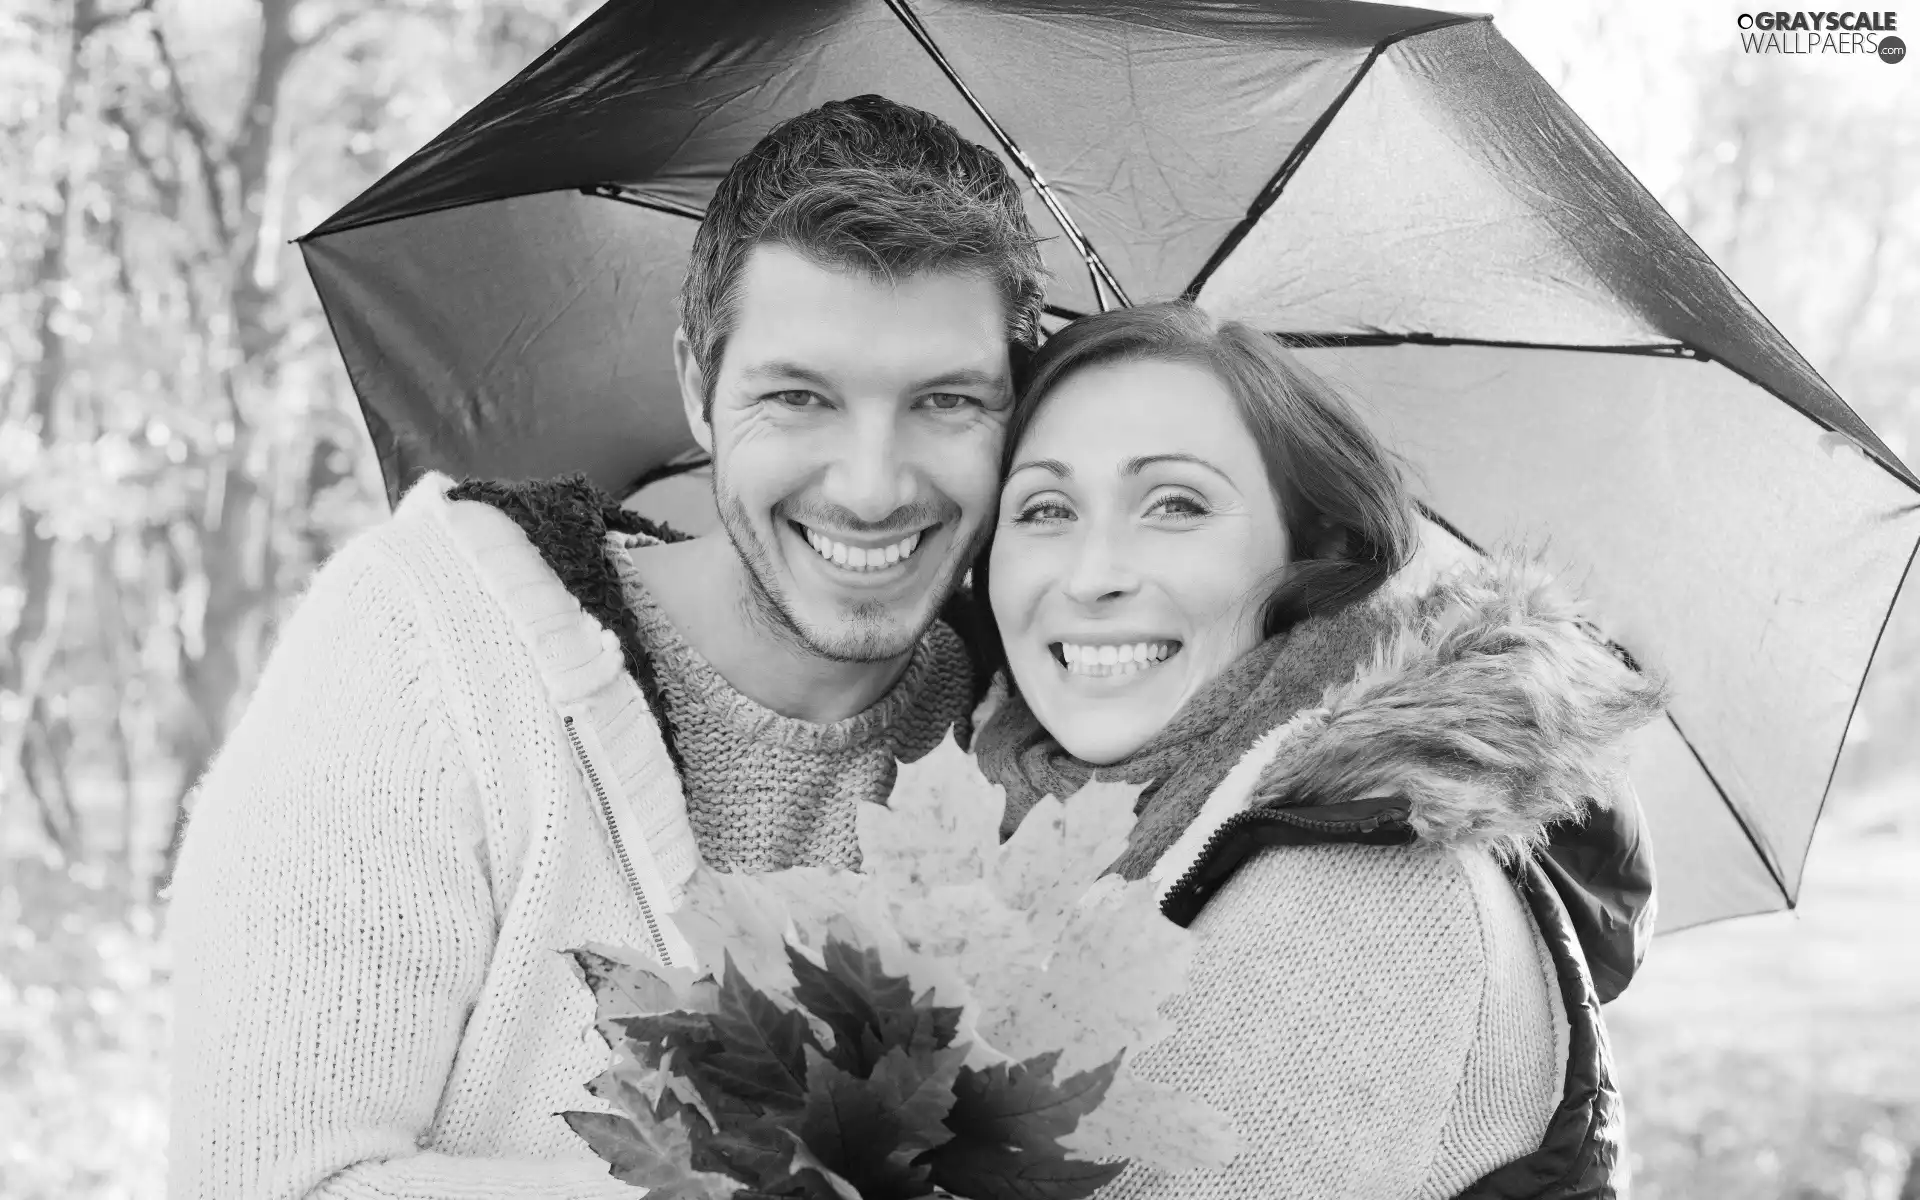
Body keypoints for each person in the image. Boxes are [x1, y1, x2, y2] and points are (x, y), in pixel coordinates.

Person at [165, 96, 1042, 1199]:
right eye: (800, 397)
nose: (871, 485)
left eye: (947, 401)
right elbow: (265, 1183)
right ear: (698, 389)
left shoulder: (1040, 742)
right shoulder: (429, 645)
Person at [972, 301, 1668, 1200]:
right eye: (1044, 508)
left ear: (1319, 551)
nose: (1092, 571)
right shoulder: (997, 804)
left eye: (1174, 504)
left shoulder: (1375, 882)